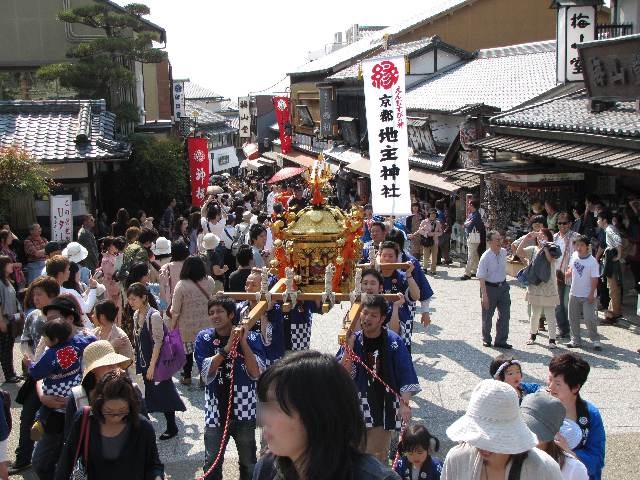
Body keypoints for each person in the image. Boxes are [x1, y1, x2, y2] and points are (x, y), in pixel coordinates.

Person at [254, 350, 401, 480]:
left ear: (317, 414)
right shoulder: (267, 469)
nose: (262, 419)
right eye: (265, 406)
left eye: (274, 407)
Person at [338, 295, 420, 463]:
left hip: (383, 405)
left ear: (383, 318)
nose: (367, 318)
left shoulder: (393, 341)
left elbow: (405, 374)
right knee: (350, 454)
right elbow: (341, 375)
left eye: (373, 315)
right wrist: (349, 348)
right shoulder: (354, 339)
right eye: (365, 313)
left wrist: (404, 404)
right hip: (356, 403)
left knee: (375, 457)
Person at [194, 297, 266, 480]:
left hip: (244, 408)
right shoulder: (204, 337)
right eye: (211, 313)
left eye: (219, 311)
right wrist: (226, 348)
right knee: (211, 460)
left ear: (231, 314)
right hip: (215, 409)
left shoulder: (253, 337)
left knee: (249, 461)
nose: (215, 316)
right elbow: (204, 371)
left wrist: (242, 341)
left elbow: (256, 372)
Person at [442, 379, 563, 480]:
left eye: (491, 436)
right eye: (478, 434)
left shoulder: (543, 468)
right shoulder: (457, 459)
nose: (483, 445)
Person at [55, 370, 164, 480]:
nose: (116, 416)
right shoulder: (85, 419)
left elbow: (154, 463)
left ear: (131, 406)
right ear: (98, 404)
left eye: (122, 411)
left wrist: (157, 477)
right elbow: (66, 461)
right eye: (109, 411)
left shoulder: (144, 427)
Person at [10, 277, 59, 475]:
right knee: (28, 416)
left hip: (57, 377)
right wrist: (28, 357)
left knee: (56, 421)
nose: (35, 298)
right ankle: (23, 458)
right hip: (35, 376)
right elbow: (25, 341)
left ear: (52, 295)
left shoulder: (62, 316)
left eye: (40, 294)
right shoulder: (32, 316)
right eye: (34, 294)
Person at [128, 283, 185, 440]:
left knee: (165, 392)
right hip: (146, 361)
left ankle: (172, 426)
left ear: (144, 297)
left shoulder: (153, 316)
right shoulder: (136, 315)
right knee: (154, 392)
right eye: (129, 299)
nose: (131, 302)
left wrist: (152, 366)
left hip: (158, 363)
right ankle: (166, 426)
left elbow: (158, 342)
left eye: (134, 299)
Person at [547, 353, 605, 480]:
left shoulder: (590, 414)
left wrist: (568, 451)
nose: (550, 387)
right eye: (549, 379)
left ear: (575, 388)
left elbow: (597, 459)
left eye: (557, 383)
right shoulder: (541, 404)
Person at [521, 391, 589, 480]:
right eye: (522, 424)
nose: (525, 431)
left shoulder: (572, 469)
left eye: (533, 427)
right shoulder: (506, 458)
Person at [170, 256, 215, 385]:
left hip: (187, 327)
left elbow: (176, 309)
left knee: (187, 354)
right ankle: (203, 377)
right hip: (207, 324)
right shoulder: (210, 281)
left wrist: (173, 325)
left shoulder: (181, 285)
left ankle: (187, 376)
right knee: (205, 352)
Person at [517, 228, 561, 348]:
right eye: (539, 235)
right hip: (535, 285)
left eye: (543, 235)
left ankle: (552, 339)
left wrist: (545, 247)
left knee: (550, 314)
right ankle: (532, 335)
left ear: (549, 237)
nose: (540, 237)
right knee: (534, 313)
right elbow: (519, 252)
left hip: (548, 286)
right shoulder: (533, 250)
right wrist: (527, 237)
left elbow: (550, 259)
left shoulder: (553, 248)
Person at [564, 235, 602, 350]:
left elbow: (595, 279)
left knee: (589, 318)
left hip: (587, 294)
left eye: (582, 245)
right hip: (574, 292)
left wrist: (591, 294)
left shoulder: (592, 261)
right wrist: (568, 273)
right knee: (573, 318)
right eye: (577, 245)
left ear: (587, 247)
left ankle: (595, 339)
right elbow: (571, 267)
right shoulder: (574, 256)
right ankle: (575, 339)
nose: (579, 247)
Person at [476, 231, 511, 349]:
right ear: (489, 242)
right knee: (487, 315)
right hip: (489, 287)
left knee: (505, 315)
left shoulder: (504, 252)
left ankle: (501, 340)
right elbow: (481, 277)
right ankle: (486, 338)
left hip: (503, 287)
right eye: (496, 240)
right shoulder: (485, 257)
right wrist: (484, 295)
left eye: (500, 239)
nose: (499, 242)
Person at [92, 300, 135, 377]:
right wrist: (110, 345)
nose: (92, 316)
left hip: (115, 379)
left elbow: (127, 361)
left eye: (94, 313)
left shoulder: (120, 336)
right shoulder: (94, 333)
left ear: (102, 317)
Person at [554, 213, 580, 339]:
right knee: (557, 304)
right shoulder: (554, 238)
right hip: (557, 274)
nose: (562, 225)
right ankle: (562, 329)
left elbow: (581, 255)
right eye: (559, 223)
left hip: (571, 275)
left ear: (570, 224)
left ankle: (571, 330)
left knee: (567, 303)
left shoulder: (576, 237)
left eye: (564, 223)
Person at [596, 210, 622, 323]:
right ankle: (612, 311)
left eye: (599, 219)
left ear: (604, 220)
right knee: (612, 286)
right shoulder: (610, 229)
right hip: (611, 259)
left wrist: (619, 255)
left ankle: (614, 313)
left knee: (613, 287)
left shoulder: (609, 229)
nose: (597, 221)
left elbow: (618, 240)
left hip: (612, 260)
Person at [0, 255, 21, 383]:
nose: (11, 265)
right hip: (4, 319)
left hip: (11, 319)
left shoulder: (8, 281)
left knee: (9, 347)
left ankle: (11, 373)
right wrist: (1, 320)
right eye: (9, 264)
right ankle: (8, 375)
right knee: (4, 349)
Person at [158, 241, 190, 314]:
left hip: (171, 307)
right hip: (187, 305)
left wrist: (161, 310)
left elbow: (162, 289)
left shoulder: (165, 268)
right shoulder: (190, 266)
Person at [461, 199, 485, 280]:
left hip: (474, 236)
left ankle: (467, 273)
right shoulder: (472, 214)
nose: (468, 206)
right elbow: (466, 224)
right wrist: (466, 224)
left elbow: (469, 225)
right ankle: (475, 270)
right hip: (471, 235)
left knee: (471, 255)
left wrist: (465, 224)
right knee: (474, 254)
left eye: (469, 204)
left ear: (472, 205)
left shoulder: (476, 215)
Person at [415, 209, 443, 275]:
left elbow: (441, 232)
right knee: (426, 255)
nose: (433, 215)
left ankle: (433, 269)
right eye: (432, 214)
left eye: (434, 214)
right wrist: (426, 233)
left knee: (434, 256)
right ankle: (425, 268)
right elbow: (420, 231)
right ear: (429, 215)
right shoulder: (424, 222)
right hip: (426, 240)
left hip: (435, 241)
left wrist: (435, 233)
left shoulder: (438, 222)